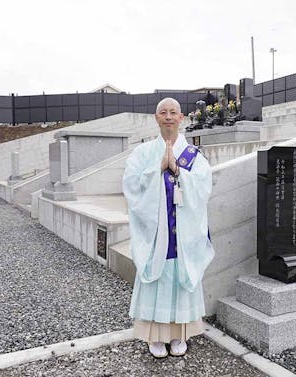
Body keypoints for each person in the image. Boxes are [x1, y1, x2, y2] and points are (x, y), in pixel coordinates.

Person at [122, 98, 215, 358]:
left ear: (182, 117)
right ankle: (155, 336)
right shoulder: (142, 153)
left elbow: (203, 186)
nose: (168, 117)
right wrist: (158, 169)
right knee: (158, 276)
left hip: (183, 235)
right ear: (156, 118)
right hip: (155, 234)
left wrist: (178, 171)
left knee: (179, 278)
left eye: (173, 112)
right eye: (163, 112)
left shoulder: (194, 156)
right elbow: (130, 185)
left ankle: (179, 335)